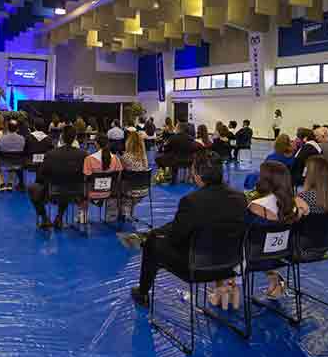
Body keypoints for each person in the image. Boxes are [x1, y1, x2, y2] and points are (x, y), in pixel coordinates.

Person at [131, 150, 246, 307]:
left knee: (151, 245)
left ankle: (143, 292)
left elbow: (176, 238)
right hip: (232, 263)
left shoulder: (191, 201)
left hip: (198, 266)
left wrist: (154, 236)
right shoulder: (240, 197)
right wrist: (160, 232)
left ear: (197, 175)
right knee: (156, 237)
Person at [247, 161, 299, 299]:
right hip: (283, 255)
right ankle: (275, 279)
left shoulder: (256, 206)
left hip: (255, 257)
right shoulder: (293, 206)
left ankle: (225, 287)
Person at [27, 125, 88, 229]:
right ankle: (59, 217)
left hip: (54, 191)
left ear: (62, 137)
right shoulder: (84, 154)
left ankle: (45, 218)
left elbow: (41, 175)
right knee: (66, 185)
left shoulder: (51, 154)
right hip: (77, 191)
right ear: (75, 138)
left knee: (32, 188)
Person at [81, 134, 124, 223]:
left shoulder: (89, 159)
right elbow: (118, 178)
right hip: (110, 193)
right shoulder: (116, 159)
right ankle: (112, 216)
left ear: (96, 144)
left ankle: (82, 217)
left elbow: (85, 178)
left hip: (91, 194)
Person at [119, 130, 149, 219]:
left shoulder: (125, 157)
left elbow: (120, 173)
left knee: (120, 180)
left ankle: (124, 210)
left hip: (130, 190)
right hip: (143, 189)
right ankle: (129, 211)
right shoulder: (144, 157)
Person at [0, 119, 26, 191]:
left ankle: (1, 184)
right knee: (14, 164)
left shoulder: (1, 139)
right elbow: (24, 151)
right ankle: (10, 184)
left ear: (8, 128)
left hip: (4, 163)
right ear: (17, 129)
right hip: (18, 163)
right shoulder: (22, 139)